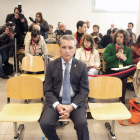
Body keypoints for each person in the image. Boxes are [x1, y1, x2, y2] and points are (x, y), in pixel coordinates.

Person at [39, 35, 89, 140]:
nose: (67, 51)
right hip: (56, 100)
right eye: (64, 47)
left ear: (75, 49)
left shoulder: (81, 66)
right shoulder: (51, 66)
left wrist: (72, 106)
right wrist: (57, 105)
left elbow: (84, 90)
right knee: (45, 123)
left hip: (75, 101)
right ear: (59, 48)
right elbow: (47, 90)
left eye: (70, 47)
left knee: (82, 123)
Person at [103, 29, 135, 104]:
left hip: (122, 70)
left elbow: (130, 62)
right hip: (111, 69)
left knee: (135, 67)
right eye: (117, 36)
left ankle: (121, 100)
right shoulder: (110, 46)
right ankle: (122, 101)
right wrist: (115, 56)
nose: (118, 38)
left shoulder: (127, 49)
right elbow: (105, 59)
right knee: (124, 78)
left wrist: (124, 58)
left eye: (121, 37)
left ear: (124, 38)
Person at [75, 34, 100, 103]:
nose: (86, 43)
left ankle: (91, 98)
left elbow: (98, 63)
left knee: (90, 75)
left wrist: (93, 64)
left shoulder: (95, 51)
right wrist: (84, 64)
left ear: (91, 43)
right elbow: (76, 61)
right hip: (82, 68)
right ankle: (82, 97)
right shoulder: (79, 50)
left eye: (88, 42)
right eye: (85, 42)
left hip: (92, 69)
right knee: (83, 75)